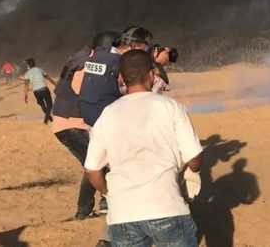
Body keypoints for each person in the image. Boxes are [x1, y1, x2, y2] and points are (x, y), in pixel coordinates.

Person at [84, 49, 203, 247]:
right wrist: (193, 172)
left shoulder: (107, 114)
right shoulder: (171, 106)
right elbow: (194, 156)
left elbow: (91, 170)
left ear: (121, 78)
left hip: (122, 215)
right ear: (151, 74)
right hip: (167, 208)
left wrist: (107, 192)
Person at [52, 31, 119, 220]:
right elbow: (88, 95)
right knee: (95, 165)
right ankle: (88, 209)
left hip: (73, 123)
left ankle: (92, 207)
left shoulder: (84, 60)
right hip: (72, 125)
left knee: (97, 163)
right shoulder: (87, 67)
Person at [75, 26, 153, 127]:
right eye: (143, 49)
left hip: (88, 117)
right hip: (108, 120)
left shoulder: (97, 56)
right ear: (134, 46)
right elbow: (135, 94)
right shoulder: (122, 63)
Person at [23, 58, 57, 124]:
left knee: (42, 105)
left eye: (26, 64)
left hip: (36, 92)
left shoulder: (27, 74)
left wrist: (26, 95)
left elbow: (26, 85)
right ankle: (46, 120)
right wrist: (55, 84)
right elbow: (49, 78)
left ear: (28, 65)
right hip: (44, 89)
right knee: (49, 105)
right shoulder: (40, 69)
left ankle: (49, 118)